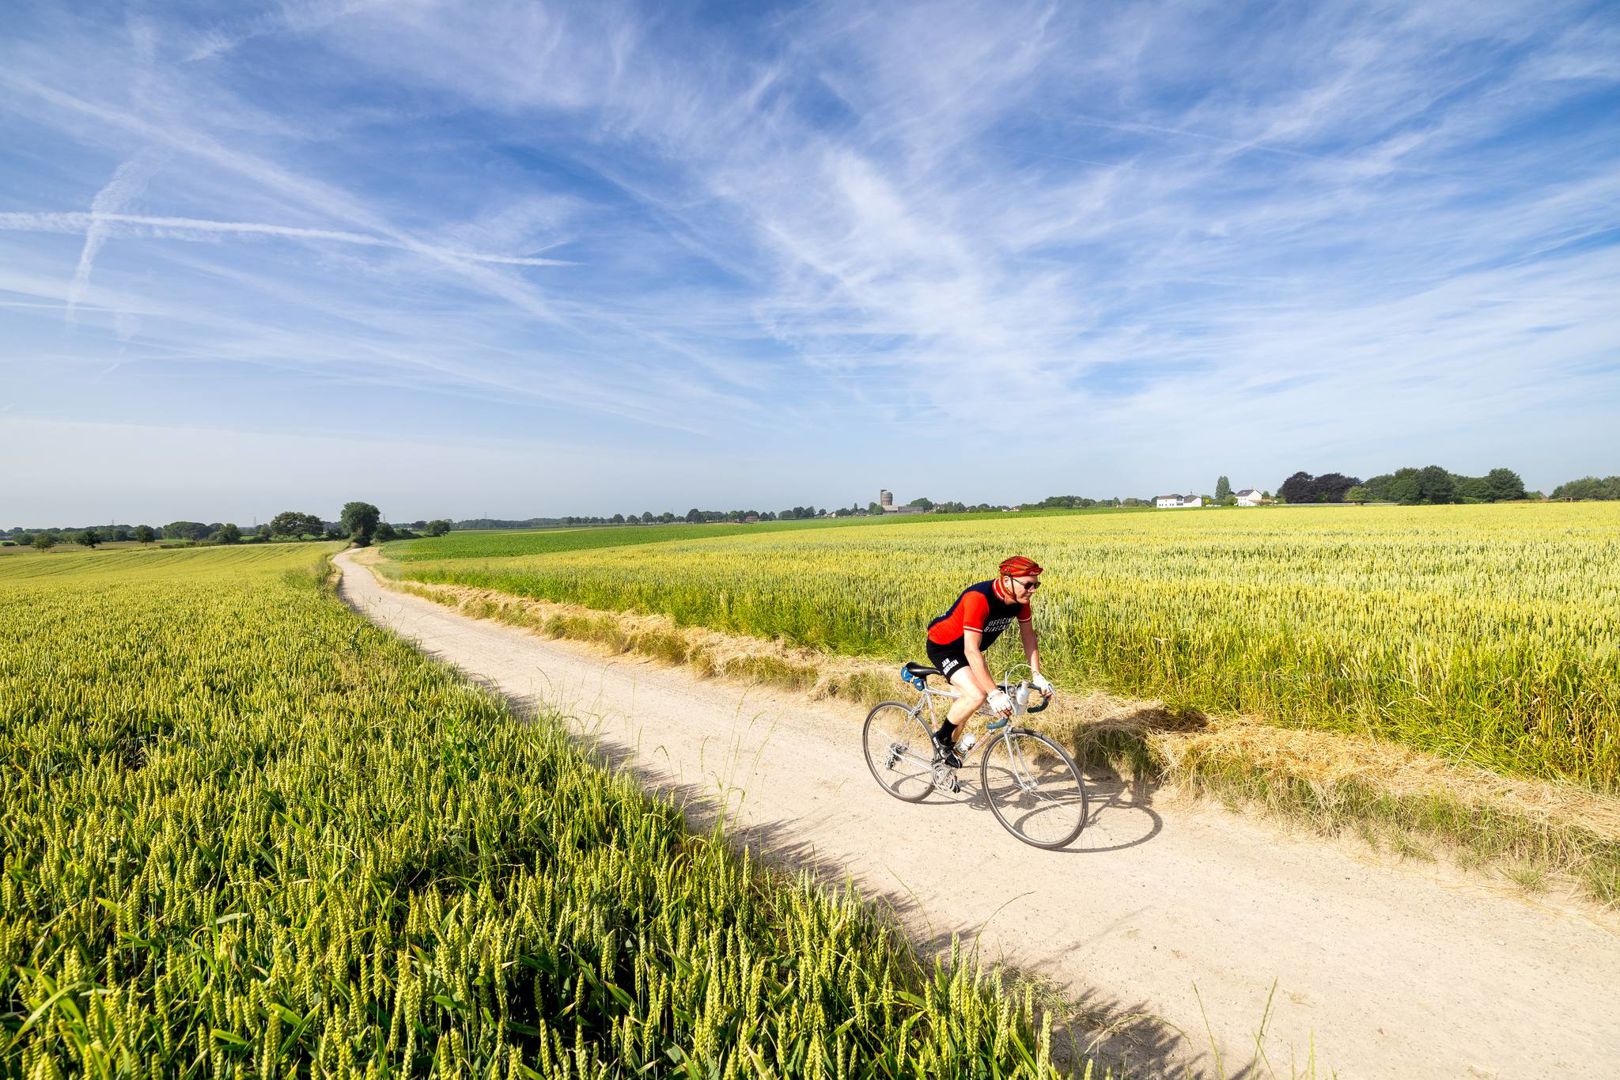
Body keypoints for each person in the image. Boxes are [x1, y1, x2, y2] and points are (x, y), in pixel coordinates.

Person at [924, 555, 1053, 767]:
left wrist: (1037, 675)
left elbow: (1028, 636)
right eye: (1028, 585)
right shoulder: (980, 598)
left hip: (968, 650)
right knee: (978, 694)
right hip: (944, 647)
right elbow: (972, 650)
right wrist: (993, 693)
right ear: (1007, 579)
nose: (1033, 590)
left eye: (1036, 584)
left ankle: (942, 765)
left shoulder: (1020, 601)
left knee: (967, 703)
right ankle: (941, 739)